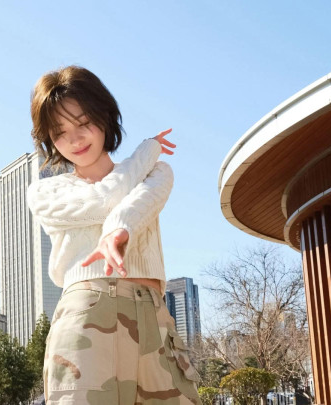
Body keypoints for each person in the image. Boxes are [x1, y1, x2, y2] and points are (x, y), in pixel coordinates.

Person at [27, 65, 201, 405]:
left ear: (105, 116)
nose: (75, 139)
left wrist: (119, 230)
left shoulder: (157, 172)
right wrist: (145, 151)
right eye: (60, 132)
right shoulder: (45, 192)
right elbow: (104, 198)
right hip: (85, 316)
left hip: (152, 315)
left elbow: (135, 206)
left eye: (83, 123)